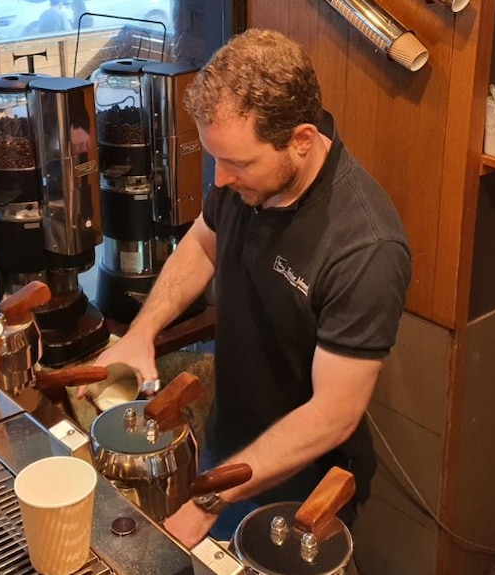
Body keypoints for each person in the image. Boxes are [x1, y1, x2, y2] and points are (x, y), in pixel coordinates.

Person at [88, 28, 412, 549]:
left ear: (301, 140)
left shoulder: (364, 246)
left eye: (237, 163)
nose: (219, 181)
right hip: (226, 451)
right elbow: (202, 243)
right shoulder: (249, 177)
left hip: (301, 492)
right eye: (217, 160)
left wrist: (210, 500)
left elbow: (333, 415)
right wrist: (143, 332)